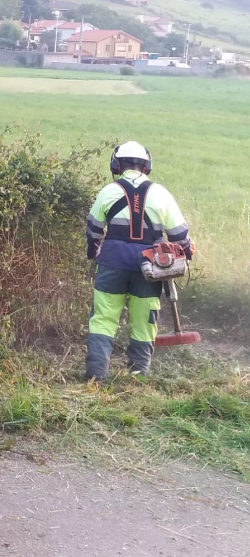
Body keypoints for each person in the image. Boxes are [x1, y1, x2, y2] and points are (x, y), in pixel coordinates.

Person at [85, 140, 193, 381]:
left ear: (117, 165)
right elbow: (179, 236)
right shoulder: (161, 193)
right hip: (150, 267)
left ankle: (96, 377)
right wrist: (187, 255)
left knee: (103, 319)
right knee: (144, 321)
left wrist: (94, 255)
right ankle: (138, 377)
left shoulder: (108, 191)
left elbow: (93, 231)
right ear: (146, 166)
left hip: (112, 263)